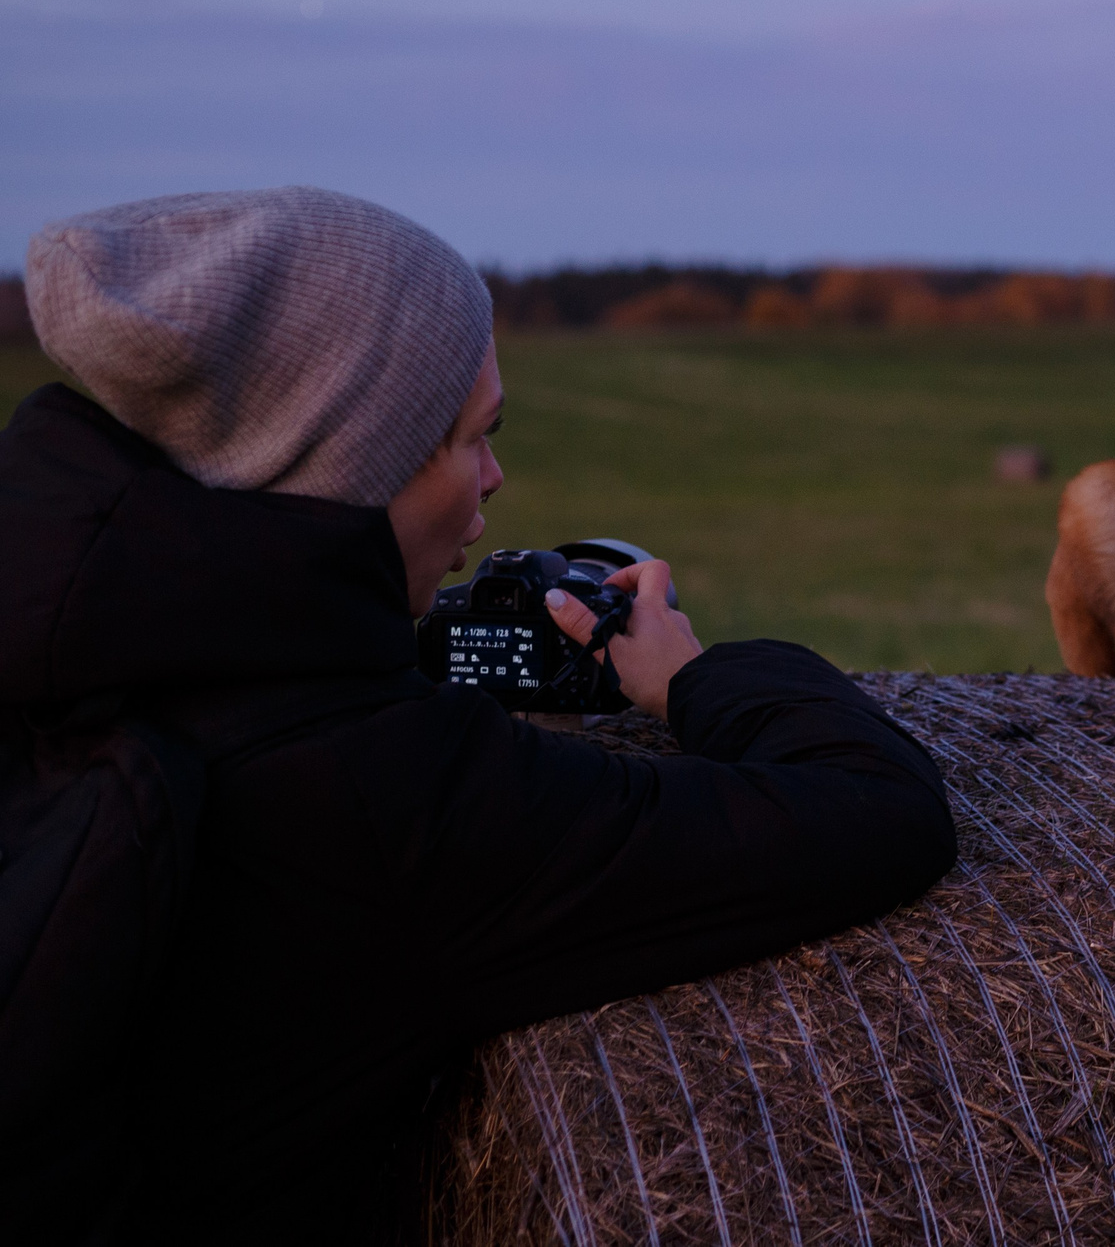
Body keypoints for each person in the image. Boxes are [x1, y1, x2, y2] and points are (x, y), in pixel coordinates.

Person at [0, 188, 958, 1244]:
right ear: (359, 463)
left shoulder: (52, 647)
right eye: (472, 437)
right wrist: (693, 676)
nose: (496, 478)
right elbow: (874, 809)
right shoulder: (386, 794)